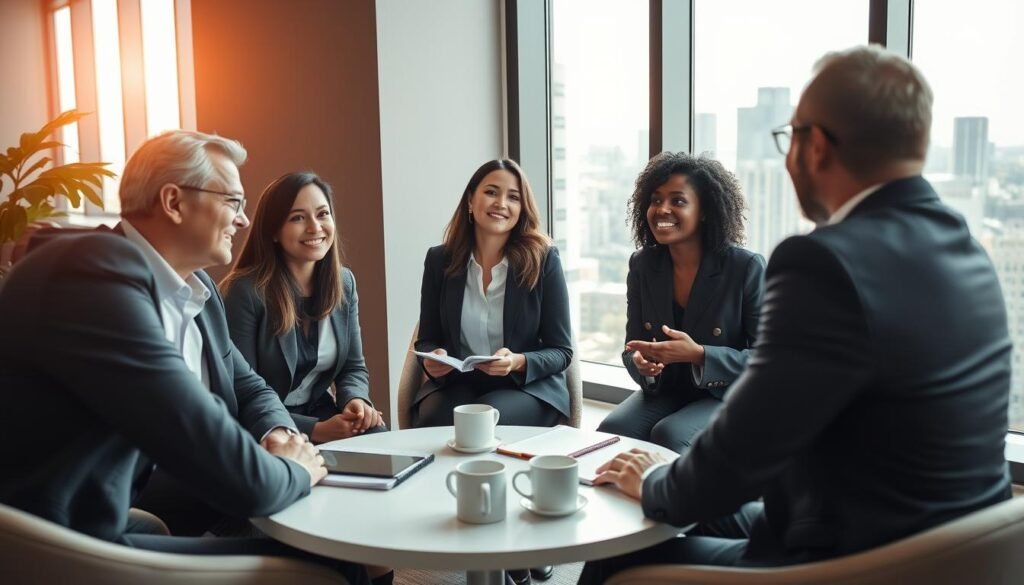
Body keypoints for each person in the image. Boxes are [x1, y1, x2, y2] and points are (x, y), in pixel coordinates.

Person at [579, 45, 1012, 583]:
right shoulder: (966, 248)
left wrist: (654, 483)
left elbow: (743, 450)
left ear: (817, 147)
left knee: (616, 549)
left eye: (790, 136)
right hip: (954, 546)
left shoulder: (823, 261)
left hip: (848, 556)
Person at [0, 130, 368, 585]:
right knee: (333, 565)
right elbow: (234, 471)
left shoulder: (197, 289)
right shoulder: (93, 274)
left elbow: (248, 384)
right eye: (233, 201)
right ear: (174, 202)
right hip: (52, 539)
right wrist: (292, 467)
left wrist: (279, 434)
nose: (244, 219)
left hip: (103, 510)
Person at [596, 152, 764, 452]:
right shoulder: (643, 265)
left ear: (704, 210)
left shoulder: (745, 267)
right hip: (667, 390)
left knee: (671, 435)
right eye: (656, 200)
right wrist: (641, 364)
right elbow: (632, 345)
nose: (662, 209)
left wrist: (700, 355)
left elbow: (767, 360)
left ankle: (669, 500)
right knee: (613, 430)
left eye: (678, 201)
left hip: (726, 394)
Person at [221, 171, 385, 444]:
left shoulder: (344, 282)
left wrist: (355, 400)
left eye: (322, 214)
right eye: (298, 218)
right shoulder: (245, 292)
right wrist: (315, 430)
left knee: (377, 436)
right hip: (266, 423)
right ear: (273, 230)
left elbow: (353, 368)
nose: (315, 227)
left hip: (321, 411)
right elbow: (240, 394)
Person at [413, 158, 572, 430]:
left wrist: (516, 362)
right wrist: (432, 359)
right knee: (436, 419)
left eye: (513, 197)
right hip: (459, 383)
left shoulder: (544, 260)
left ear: (522, 209)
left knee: (485, 421)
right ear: (470, 201)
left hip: (525, 387)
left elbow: (561, 351)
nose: (501, 203)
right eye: (491, 192)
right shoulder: (439, 260)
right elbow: (427, 339)